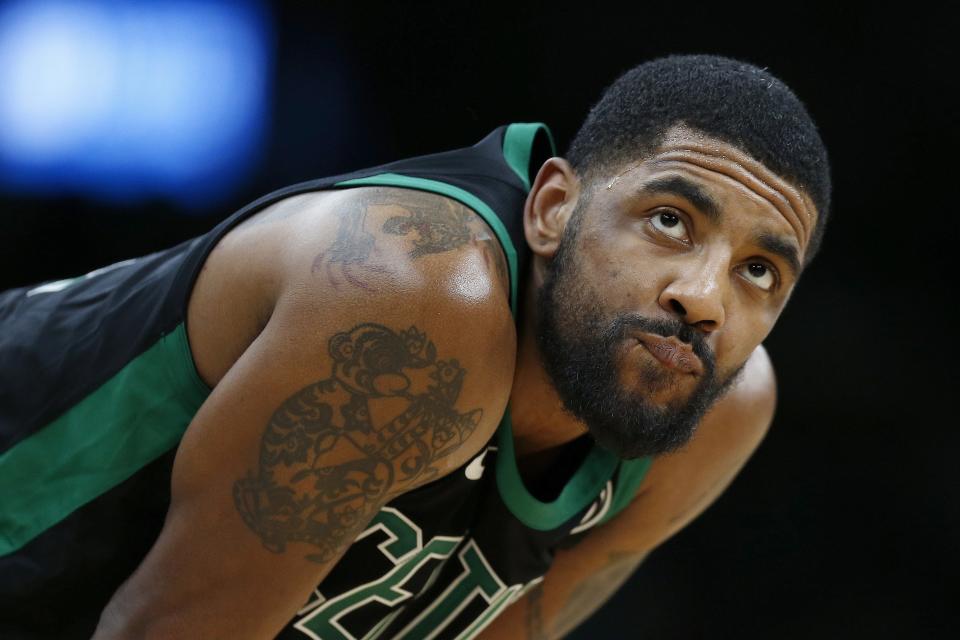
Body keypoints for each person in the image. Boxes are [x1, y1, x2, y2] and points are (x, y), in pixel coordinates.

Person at [0, 54, 830, 639]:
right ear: (551, 209)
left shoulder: (715, 412)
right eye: (669, 222)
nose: (704, 297)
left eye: (760, 271)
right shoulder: (420, 298)